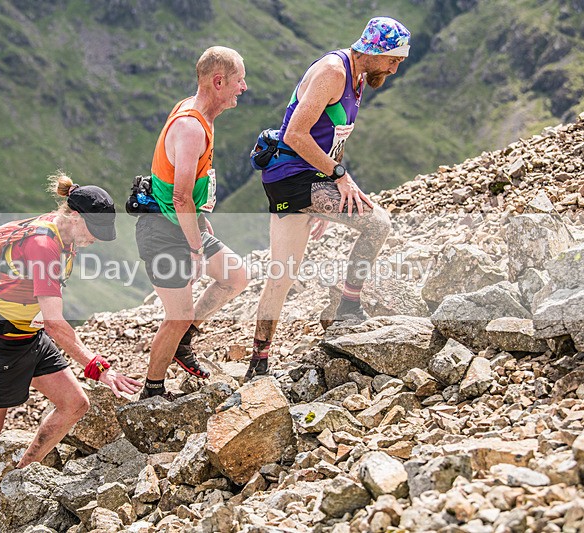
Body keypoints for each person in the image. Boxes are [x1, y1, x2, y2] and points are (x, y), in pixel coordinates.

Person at [0, 173, 142, 533]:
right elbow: (54, 323)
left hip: (28, 332)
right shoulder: (43, 245)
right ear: (76, 218)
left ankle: (21, 477)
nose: (94, 241)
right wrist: (100, 368)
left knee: (75, 403)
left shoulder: (64, 234)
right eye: (92, 233)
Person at [247, 17, 410, 381]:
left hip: (303, 179)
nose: (395, 68)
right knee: (378, 223)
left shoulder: (360, 76)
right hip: (292, 177)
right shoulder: (333, 72)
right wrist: (337, 178)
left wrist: (324, 196)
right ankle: (349, 305)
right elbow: (295, 134)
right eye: (393, 59)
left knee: (282, 275)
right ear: (374, 50)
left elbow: (334, 139)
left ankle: (258, 363)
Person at [135, 46, 250, 399]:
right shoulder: (190, 127)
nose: (243, 88)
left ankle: (185, 339)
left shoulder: (199, 114)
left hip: (185, 224)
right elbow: (180, 196)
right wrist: (196, 247)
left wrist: (200, 221)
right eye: (238, 80)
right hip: (163, 230)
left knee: (236, 276)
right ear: (218, 82)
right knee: (177, 315)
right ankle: (152, 391)